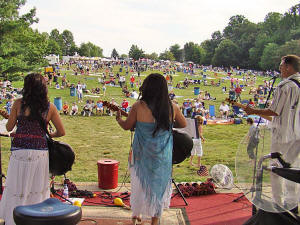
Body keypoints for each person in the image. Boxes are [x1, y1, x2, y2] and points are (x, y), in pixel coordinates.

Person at [115, 73, 186, 225]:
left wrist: (119, 119)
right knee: (159, 185)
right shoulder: (173, 107)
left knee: (139, 183)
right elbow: (183, 124)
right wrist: (169, 125)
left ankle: (136, 214)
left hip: (141, 153)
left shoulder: (138, 106)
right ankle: (155, 219)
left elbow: (128, 126)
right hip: (163, 155)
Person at [0, 73, 65, 225]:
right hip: (40, 152)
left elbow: (9, 127)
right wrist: (48, 135)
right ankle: (36, 220)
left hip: (19, 151)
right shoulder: (50, 107)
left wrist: (13, 119)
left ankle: (13, 220)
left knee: (17, 186)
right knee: (37, 188)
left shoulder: (18, 104)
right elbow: (61, 131)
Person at [244, 55, 300, 210]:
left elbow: (274, 111)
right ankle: (292, 203)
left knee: (276, 169)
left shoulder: (285, 86)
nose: (280, 68)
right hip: (297, 135)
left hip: (282, 134)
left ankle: (278, 203)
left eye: (281, 65)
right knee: (292, 168)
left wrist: (252, 110)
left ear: (288, 67)